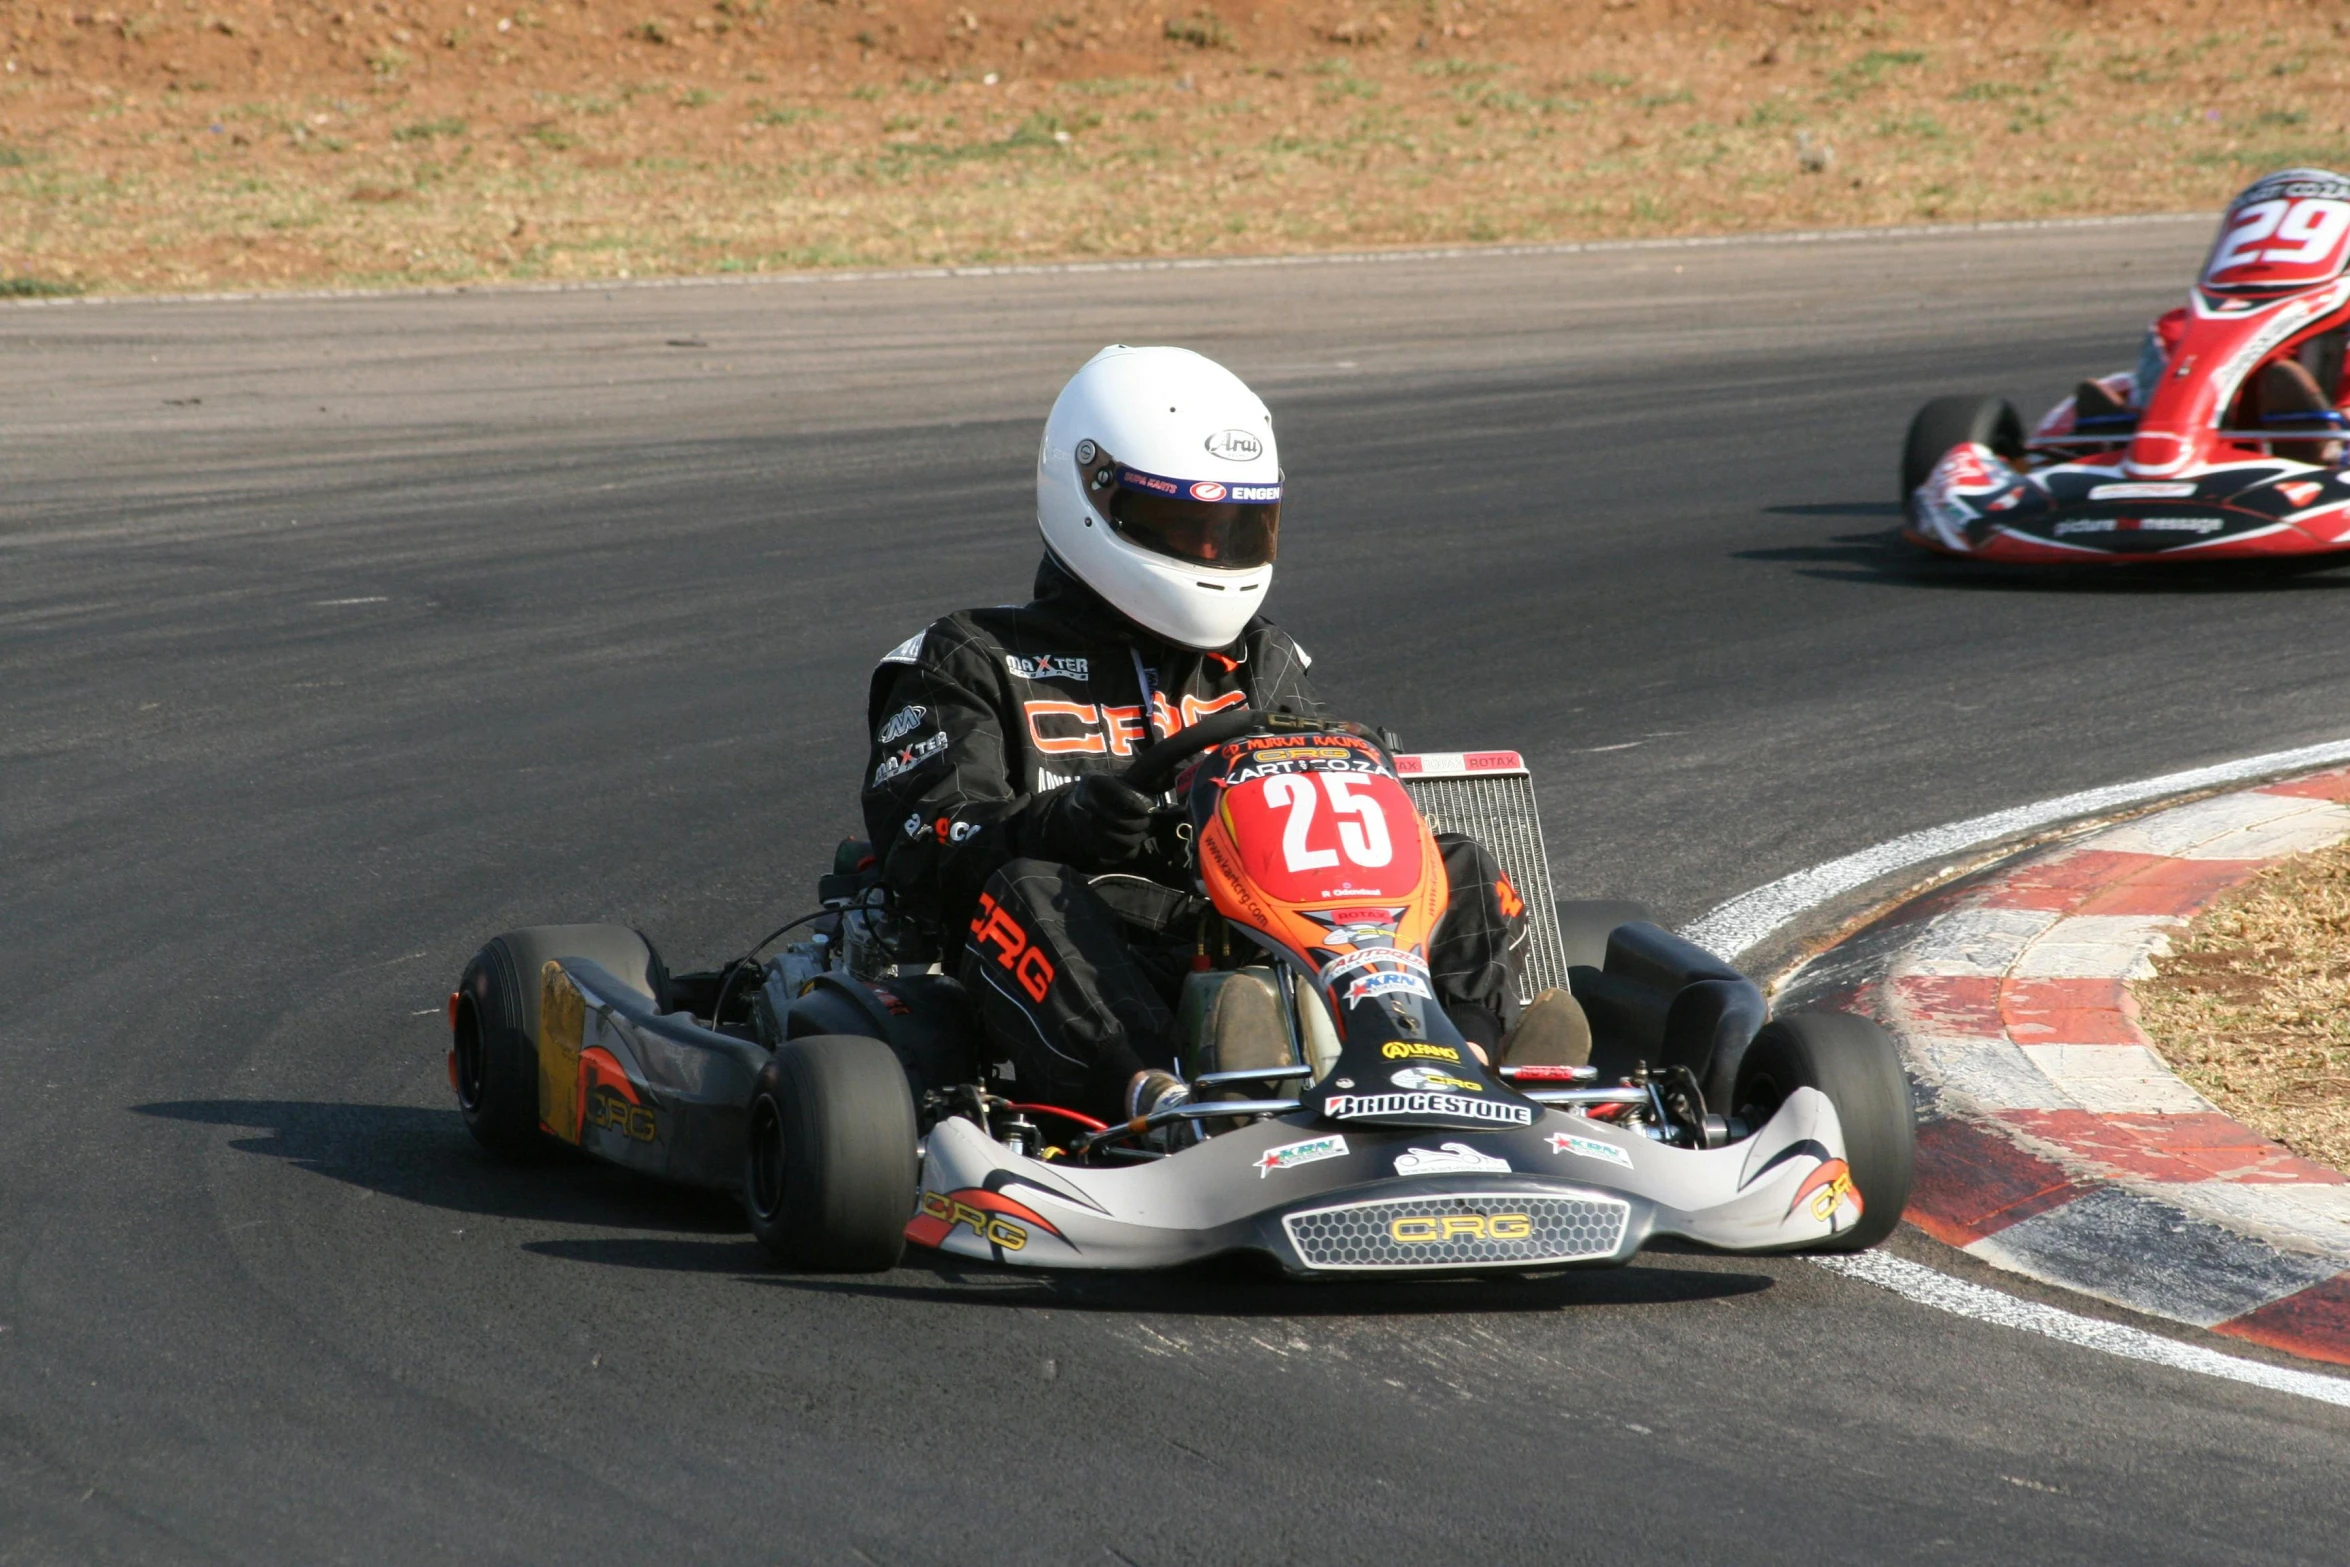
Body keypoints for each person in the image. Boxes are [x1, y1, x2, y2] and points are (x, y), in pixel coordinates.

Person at [858, 345, 1580, 1127]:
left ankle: (1466, 1058)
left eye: (1236, 529)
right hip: (1098, 949)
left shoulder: (1261, 659)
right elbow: (922, 844)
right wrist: (1052, 824)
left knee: (1454, 863)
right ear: (1093, 494)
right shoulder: (972, 657)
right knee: (1029, 891)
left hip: (1259, 932)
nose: (1213, 555)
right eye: (1184, 524)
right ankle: (1159, 1097)